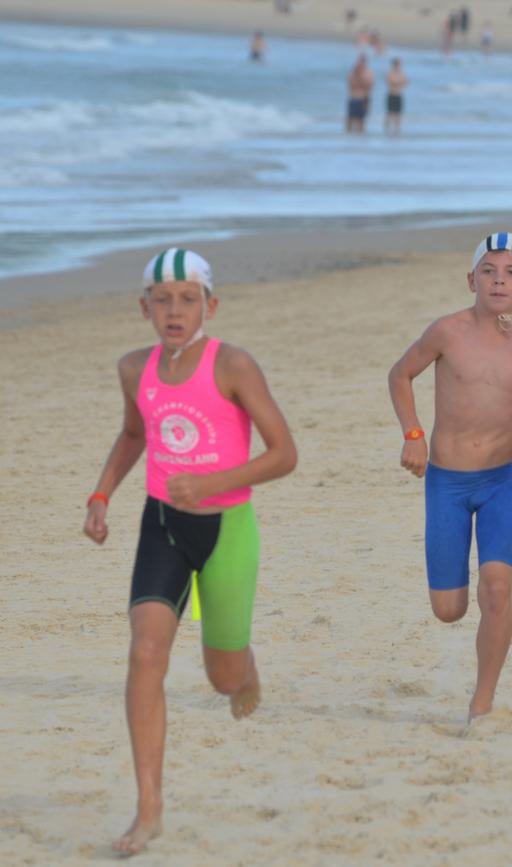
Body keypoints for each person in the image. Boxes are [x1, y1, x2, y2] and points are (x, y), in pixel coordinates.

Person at [83, 248, 297, 855]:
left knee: (222, 677)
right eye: (162, 299)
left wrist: (208, 482)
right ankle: (148, 808)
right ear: (144, 306)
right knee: (145, 652)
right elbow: (133, 434)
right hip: (162, 526)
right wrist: (101, 494)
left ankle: (245, 667)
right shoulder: (134, 368)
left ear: (210, 304)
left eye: (187, 298)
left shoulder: (232, 364)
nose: (174, 310)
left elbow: (284, 453)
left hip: (227, 528)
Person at [388, 233, 512, 722]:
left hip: (499, 482)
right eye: (488, 271)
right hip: (446, 482)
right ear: (471, 279)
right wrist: (413, 433)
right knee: (448, 610)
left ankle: (482, 701)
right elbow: (400, 375)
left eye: (511, 273)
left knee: (497, 589)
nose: (498, 281)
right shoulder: (447, 332)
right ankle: (455, 611)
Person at [346, 53, 374, 133]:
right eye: (360, 61)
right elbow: (350, 85)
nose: (361, 63)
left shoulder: (368, 73)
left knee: (361, 121)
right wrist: (357, 75)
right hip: (353, 98)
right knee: (350, 120)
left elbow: (370, 86)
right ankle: (348, 139)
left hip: (363, 99)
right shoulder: (353, 72)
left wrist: (361, 78)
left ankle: (360, 140)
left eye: (363, 62)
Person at [384, 58, 408, 134]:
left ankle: (397, 131)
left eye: (399, 65)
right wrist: (398, 82)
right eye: (397, 64)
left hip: (398, 95)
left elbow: (405, 82)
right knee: (389, 114)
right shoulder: (390, 73)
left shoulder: (402, 73)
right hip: (391, 95)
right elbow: (390, 82)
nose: (398, 66)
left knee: (398, 115)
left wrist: (398, 83)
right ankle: (386, 130)